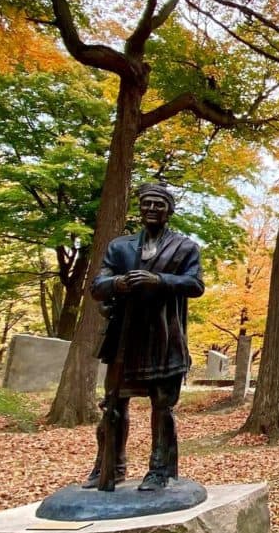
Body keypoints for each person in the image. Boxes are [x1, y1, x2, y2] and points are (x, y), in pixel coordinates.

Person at [83, 182, 204, 492]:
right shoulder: (120, 247)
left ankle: (159, 470)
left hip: (165, 338)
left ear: (169, 210)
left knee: (162, 408)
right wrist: (119, 283)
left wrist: (158, 280)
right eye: (147, 203)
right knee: (113, 404)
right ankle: (109, 465)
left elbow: (195, 285)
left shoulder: (185, 247)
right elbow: (98, 284)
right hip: (125, 339)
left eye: (159, 204)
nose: (152, 209)